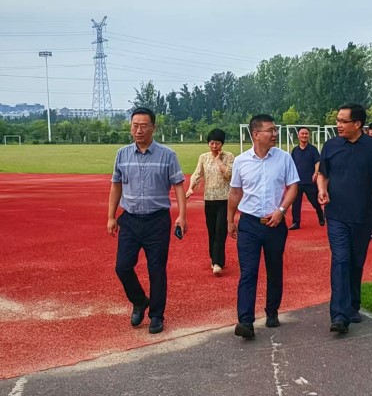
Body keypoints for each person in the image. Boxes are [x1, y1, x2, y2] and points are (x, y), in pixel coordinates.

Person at [107, 107, 187, 334]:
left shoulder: (167, 155)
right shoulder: (122, 154)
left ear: (153, 127)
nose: (138, 130)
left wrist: (182, 215)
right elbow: (116, 185)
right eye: (135, 125)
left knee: (157, 270)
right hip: (130, 220)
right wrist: (111, 216)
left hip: (157, 221)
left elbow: (178, 185)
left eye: (143, 126)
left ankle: (156, 315)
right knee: (122, 267)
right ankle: (140, 301)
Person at [318, 104, 372, 334]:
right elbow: (323, 173)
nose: (338, 125)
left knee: (355, 261)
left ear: (357, 124)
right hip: (336, 215)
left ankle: (352, 306)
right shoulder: (331, 146)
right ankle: (339, 315)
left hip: (363, 215)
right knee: (340, 259)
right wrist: (322, 189)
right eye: (337, 120)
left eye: (343, 121)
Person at [227, 114, 299, 339]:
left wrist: (281, 210)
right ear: (256, 134)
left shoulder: (284, 158)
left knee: (274, 269)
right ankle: (245, 321)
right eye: (270, 130)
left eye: (275, 130)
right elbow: (235, 192)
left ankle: (272, 311)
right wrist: (230, 219)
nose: (275, 134)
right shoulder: (241, 161)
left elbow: (293, 186)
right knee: (248, 272)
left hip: (275, 223)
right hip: (249, 223)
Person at [186, 128, 234, 276]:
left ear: (222, 144)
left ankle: (217, 263)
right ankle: (216, 259)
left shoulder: (229, 156)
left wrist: (218, 160)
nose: (214, 146)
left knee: (220, 230)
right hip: (209, 199)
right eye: (212, 143)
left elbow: (229, 174)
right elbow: (197, 174)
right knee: (212, 231)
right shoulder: (204, 157)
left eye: (217, 143)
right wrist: (190, 188)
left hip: (224, 199)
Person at [289, 127, 325, 230]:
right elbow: (291, 165)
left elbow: (317, 162)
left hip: (310, 181)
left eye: (306, 134)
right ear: (298, 135)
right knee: (296, 203)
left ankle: (320, 214)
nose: (304, 135)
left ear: (308, 136)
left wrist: (315, 172)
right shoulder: (295, 150)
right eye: (302, 134)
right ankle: (296, 223)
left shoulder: (313, 149)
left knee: (315, 202)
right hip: (297, 182)